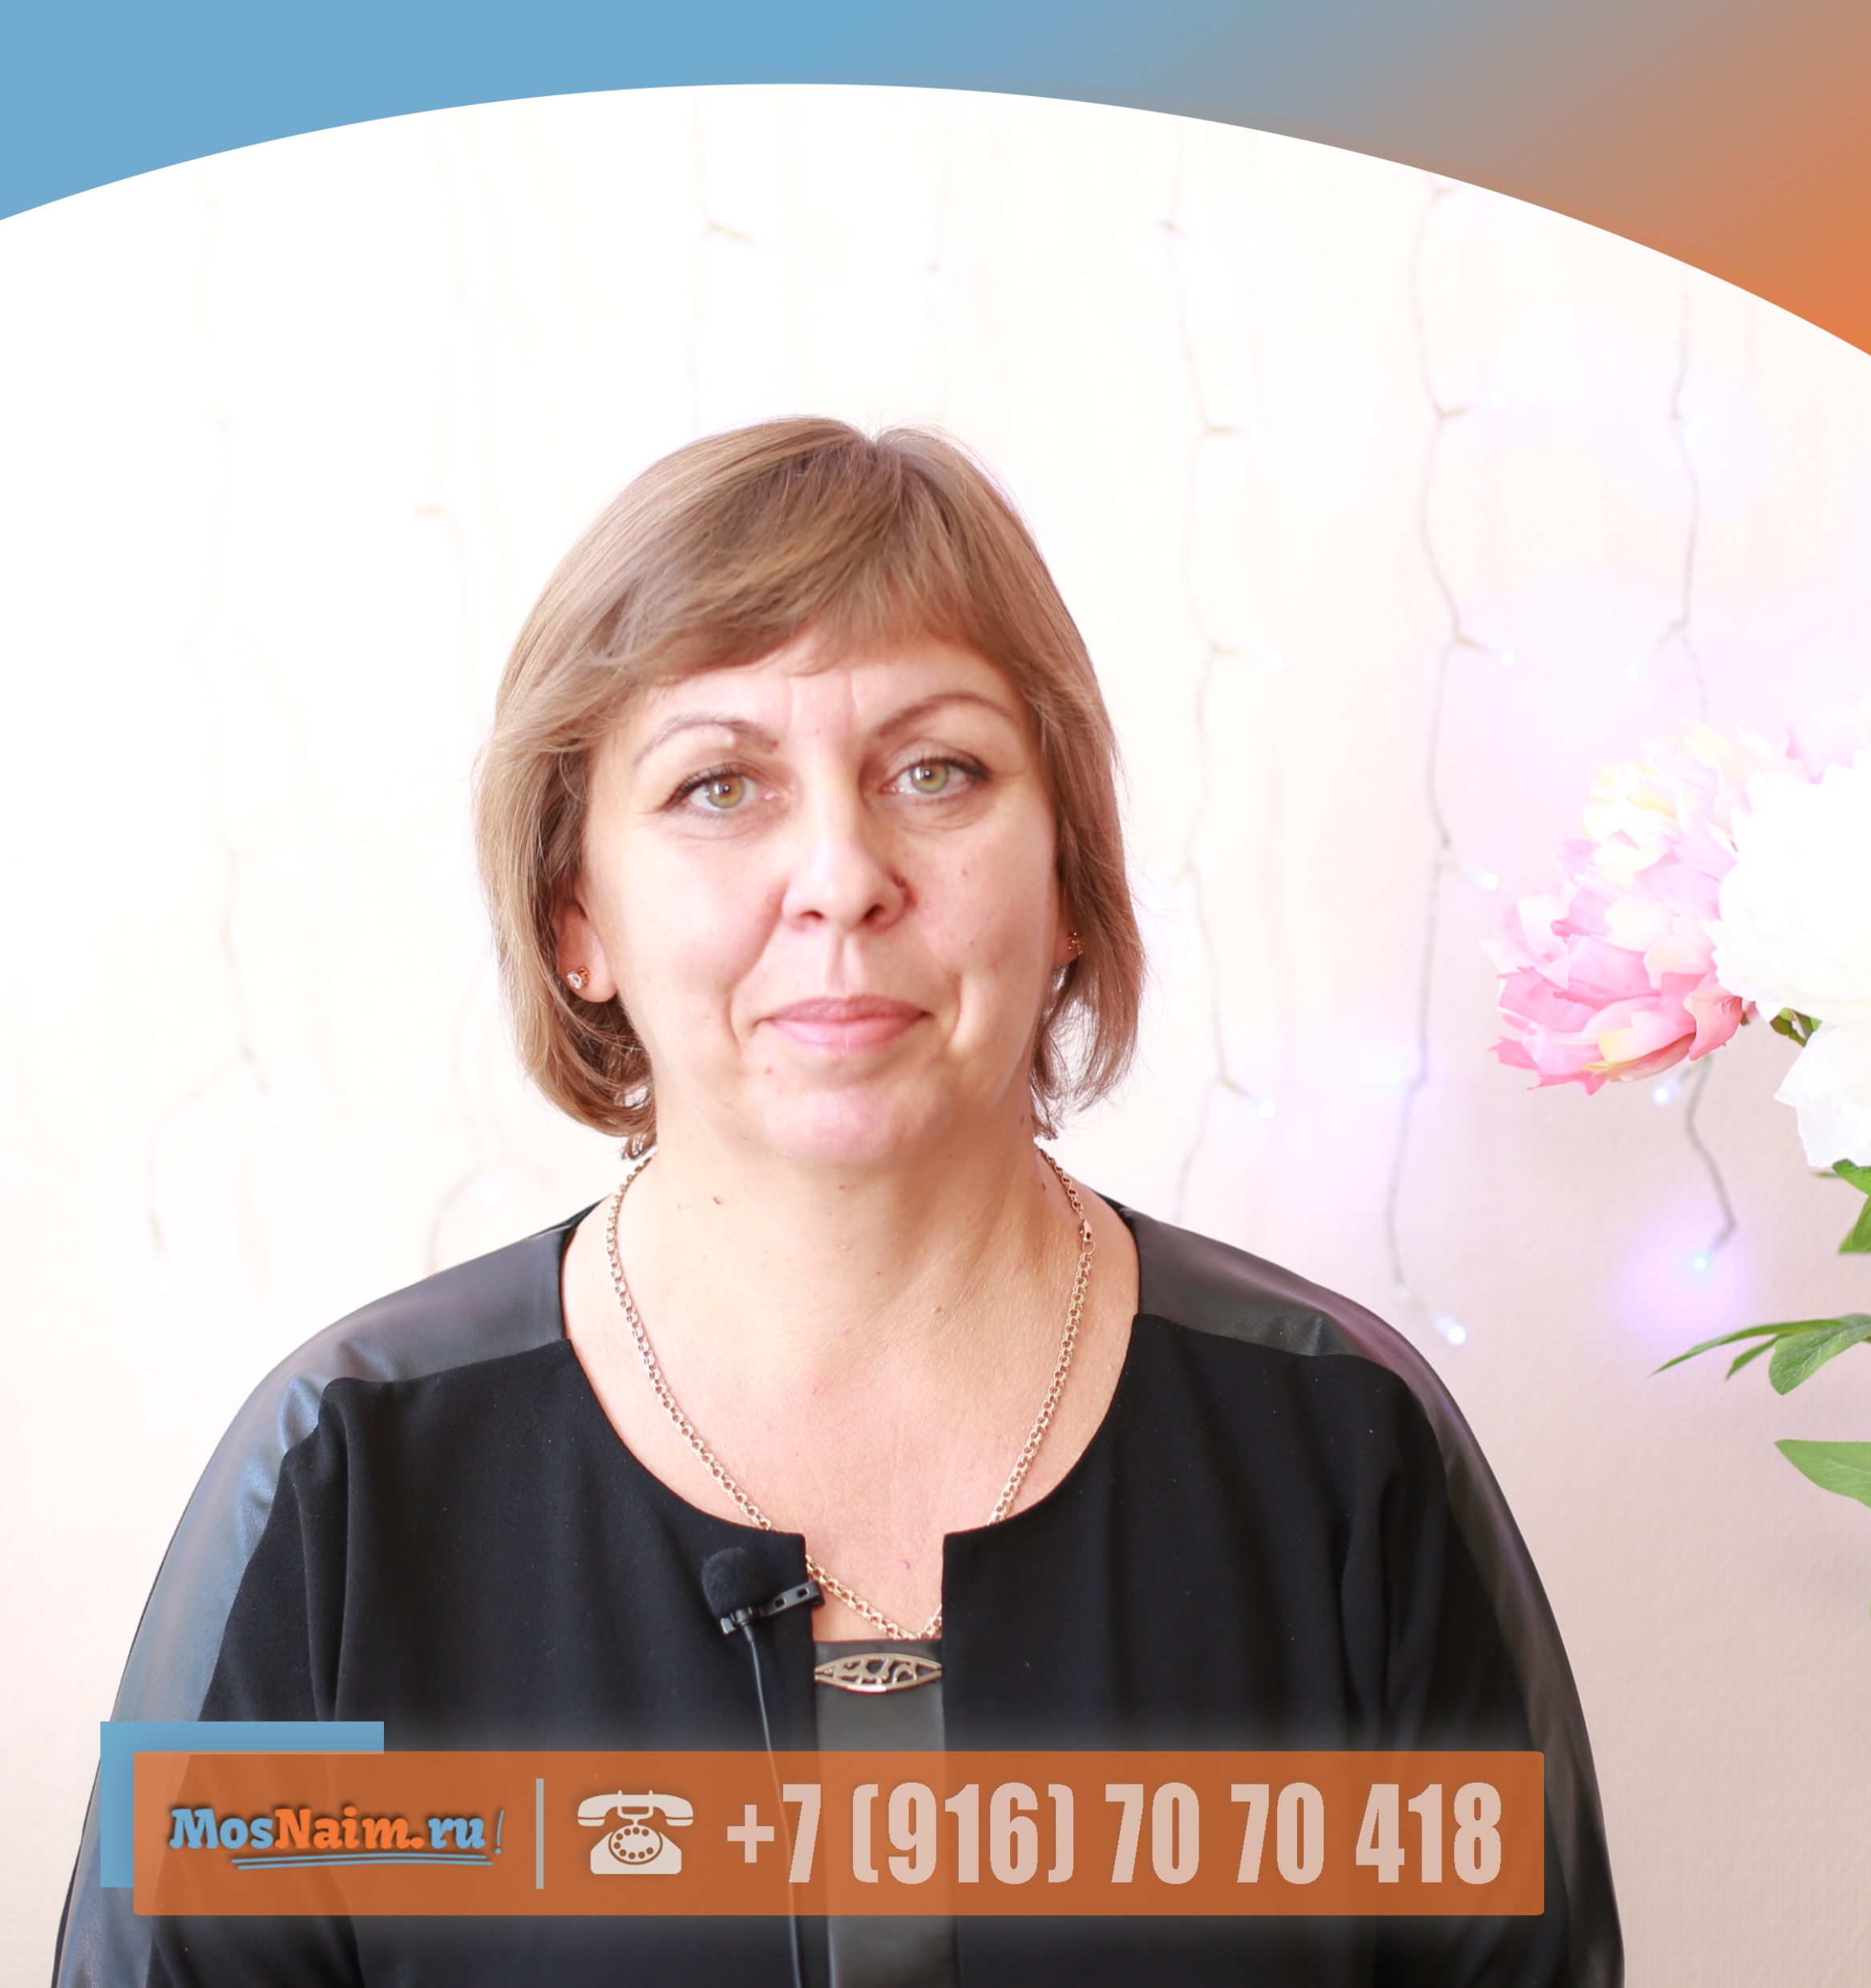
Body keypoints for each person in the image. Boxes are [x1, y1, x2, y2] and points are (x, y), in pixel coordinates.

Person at [55, 419, 1619, 1987]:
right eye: (717, 786)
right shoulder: (339, 1480)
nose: (840, 876)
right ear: (574, 912)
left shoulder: (1345, 1449)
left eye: (936, 772)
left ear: (1069, 876)